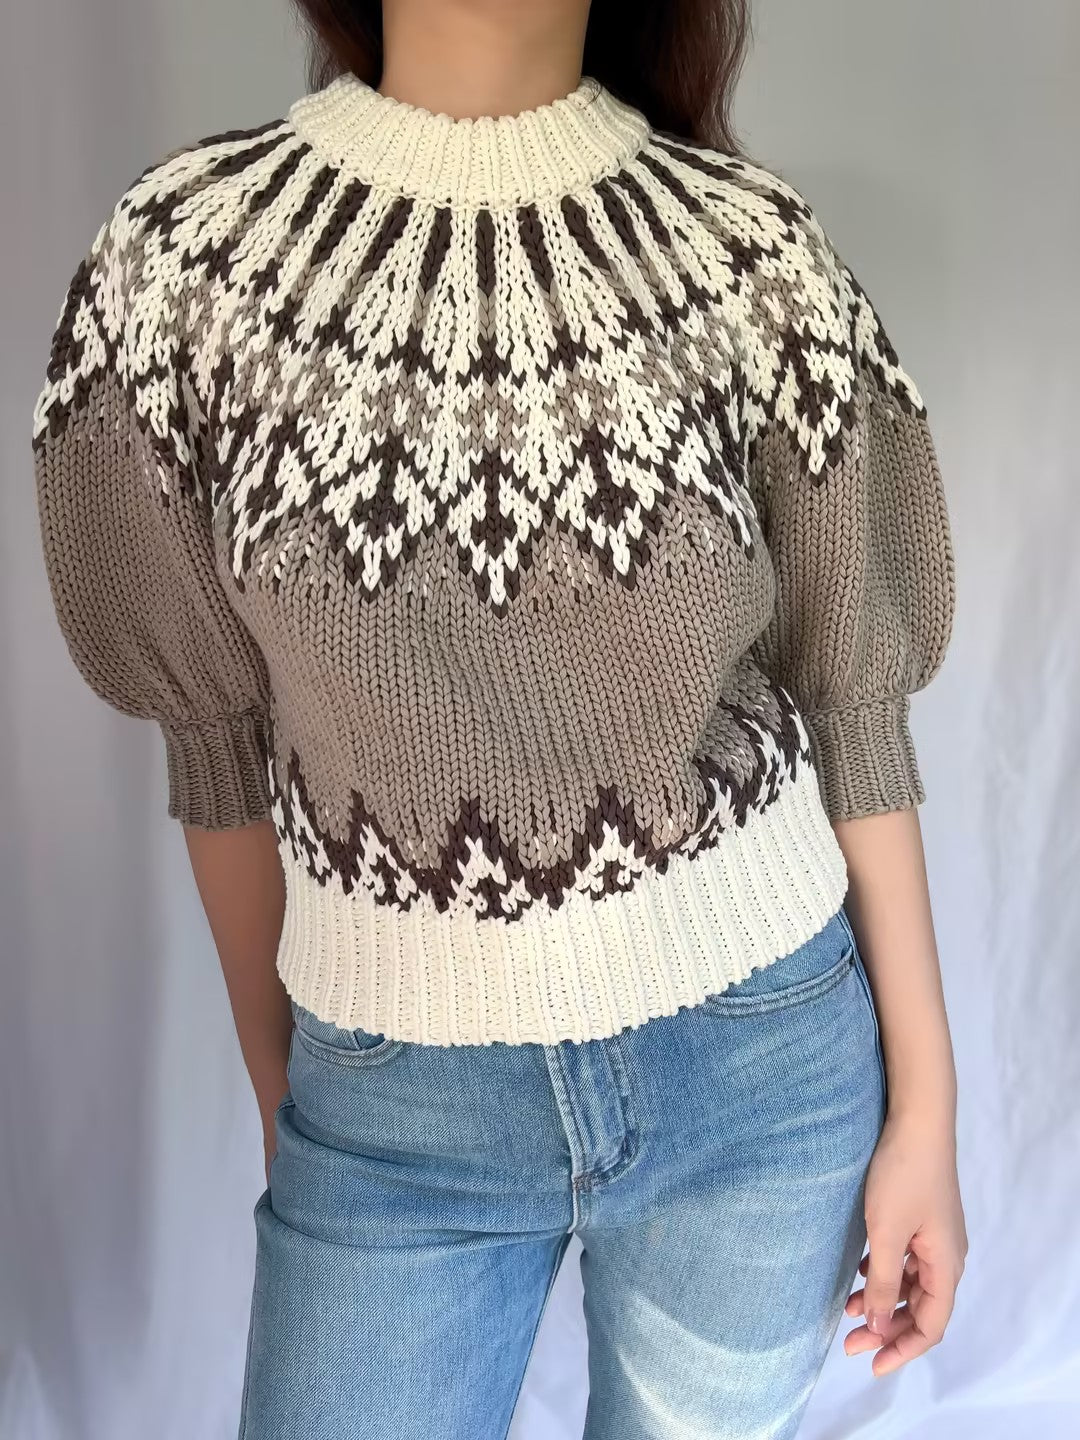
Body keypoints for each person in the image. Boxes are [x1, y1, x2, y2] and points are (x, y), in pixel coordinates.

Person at [31, 0, 967, 1435]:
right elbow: (214, 741)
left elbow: (853, 700)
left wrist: (928, 1113)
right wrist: (297, 1108)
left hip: (761, 1068)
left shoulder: (748, 253)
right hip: (391, 1107)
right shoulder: (184, 266)